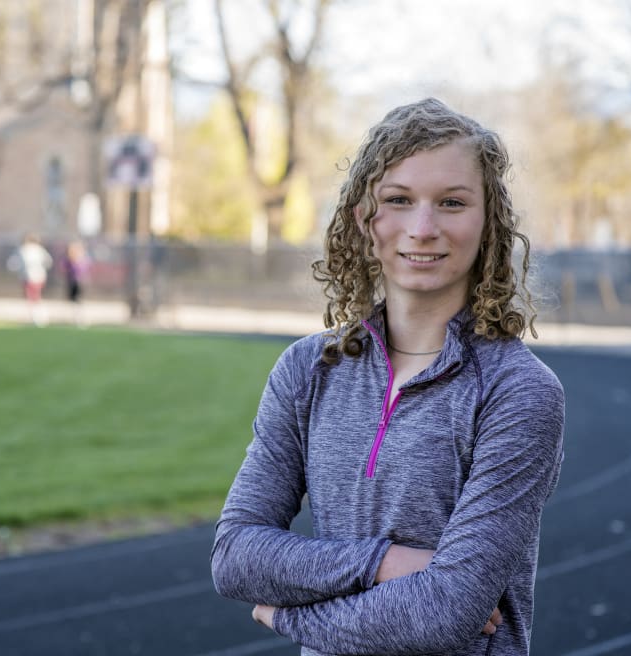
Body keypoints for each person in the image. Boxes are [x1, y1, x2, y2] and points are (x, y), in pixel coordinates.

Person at [210, 97, 565, 656]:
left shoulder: (517, 391)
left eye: (451, 203)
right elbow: (235, 557)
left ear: (488, 222)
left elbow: (445, 615)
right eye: (398, 200)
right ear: (364, 218)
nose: (423, 228)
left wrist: (282, 615)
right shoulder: (307, 370)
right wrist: (385, 563)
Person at [8, 233, 53, 326]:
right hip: (39, 276)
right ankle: (37, 317)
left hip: (29, 276)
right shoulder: (40, 249)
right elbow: (49, 262)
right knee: (35, 297)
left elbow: (13, 264)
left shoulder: (24, 250)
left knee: (33, 298)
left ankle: (38, 317)